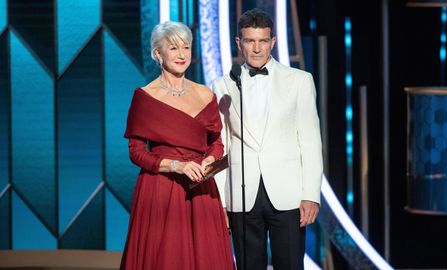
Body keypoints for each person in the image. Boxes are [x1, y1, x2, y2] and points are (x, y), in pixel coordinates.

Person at [212, 8, 324, 270]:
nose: (257, 48)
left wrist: (311, 194)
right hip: (241, 194)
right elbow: (221, 144)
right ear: (239, 43)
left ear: (273, 41)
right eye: (250, 41)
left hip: (288, 193)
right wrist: (220, 200)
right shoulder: (223, 85)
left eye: (263, 41)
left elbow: (310, 140)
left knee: (290, 265)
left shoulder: (299, 81)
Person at [120, 21, 234, 270]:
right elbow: (136, 153)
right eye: (173, 48)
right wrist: (176, 166)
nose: (182, 54)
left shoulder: (206, 94)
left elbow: (216, 143)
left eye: (186, 47)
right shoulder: (145, 97)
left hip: (201, 188)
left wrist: (209, 160)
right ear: (158, 54)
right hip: (161, 189)